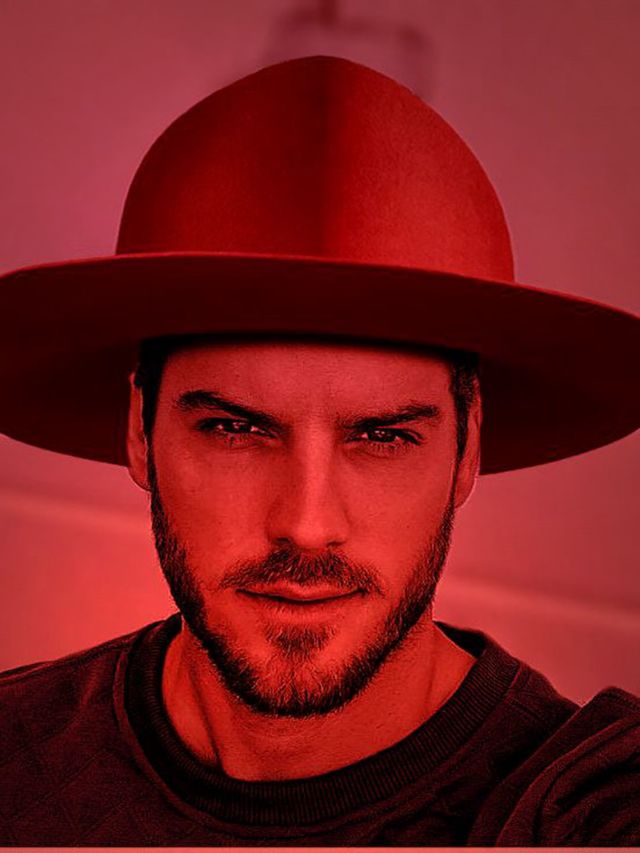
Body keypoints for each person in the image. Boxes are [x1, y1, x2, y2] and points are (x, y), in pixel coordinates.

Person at [0, 56, 638, 847]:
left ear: (469, 445)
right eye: (236, 429)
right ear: (138, 427)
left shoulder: (586, 809)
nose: (305, 524)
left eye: (382, 436)